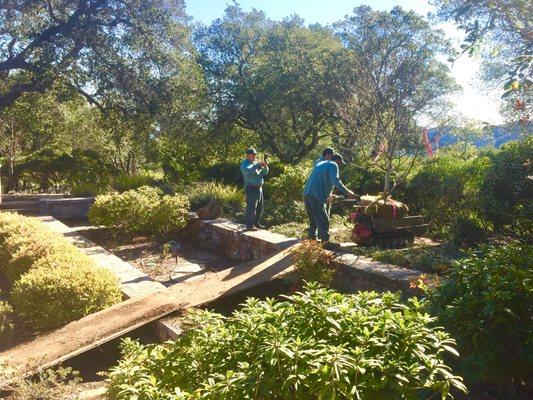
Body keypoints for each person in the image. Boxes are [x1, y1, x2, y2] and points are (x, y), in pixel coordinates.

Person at [303, 153, 358, 249]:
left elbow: (320, 180)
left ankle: (311, 241)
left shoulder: (320, 163)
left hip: (307, 193)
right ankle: (326, 242)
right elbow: (335, 180)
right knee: (324, 220)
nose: (340, 166)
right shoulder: (333, 164)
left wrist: (329, 194)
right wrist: (348, 192)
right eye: (340, 163)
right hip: (316, 195)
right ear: (337, 161)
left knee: (313, 220)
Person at [240, 147, 269, 231]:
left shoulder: (256, 163)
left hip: (259, 188)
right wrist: (257, 165)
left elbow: (265, 172)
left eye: (255, 154)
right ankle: (249, 226)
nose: (255, 156)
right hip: (251, 188)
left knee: (260, 207)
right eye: (253, 154)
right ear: (248, 155)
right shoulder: (244, 164)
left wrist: (265, 166)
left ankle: (257, 223)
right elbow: (248, 172)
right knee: (251, 207)